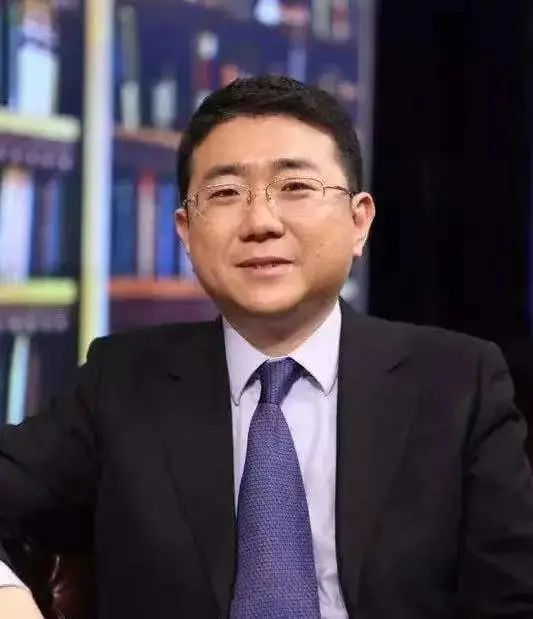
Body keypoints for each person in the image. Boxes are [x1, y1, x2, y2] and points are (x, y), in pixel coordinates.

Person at [1, 75, 533, 619]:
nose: (260, 222)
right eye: (225, 193)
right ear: (186, 231)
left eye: (296, 187)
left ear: (359, 221)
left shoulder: (458, 383)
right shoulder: (121, 382)